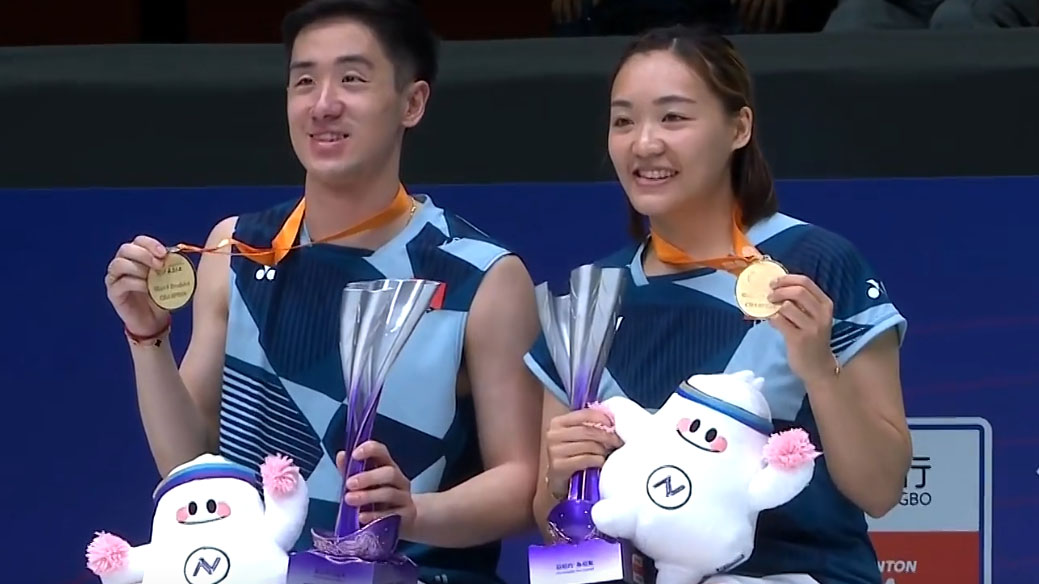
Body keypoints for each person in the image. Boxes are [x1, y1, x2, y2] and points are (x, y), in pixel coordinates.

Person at [102, 1, 543, 583]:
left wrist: (413, 514)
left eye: (352, 79)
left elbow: (522, 482)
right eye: (304, 81)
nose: (323, 104)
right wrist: (148, 337)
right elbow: (191, 464)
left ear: (412, 103)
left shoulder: (481, 275)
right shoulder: (237, 248)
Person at [528, 26, 911, 584]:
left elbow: (880, 489)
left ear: (739, 128)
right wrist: (560, 482)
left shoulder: (816, 264)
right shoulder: (589, 301)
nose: (645, 143)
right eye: (623, 121)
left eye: (673, 117)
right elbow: (556, 533)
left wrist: (820, 372)